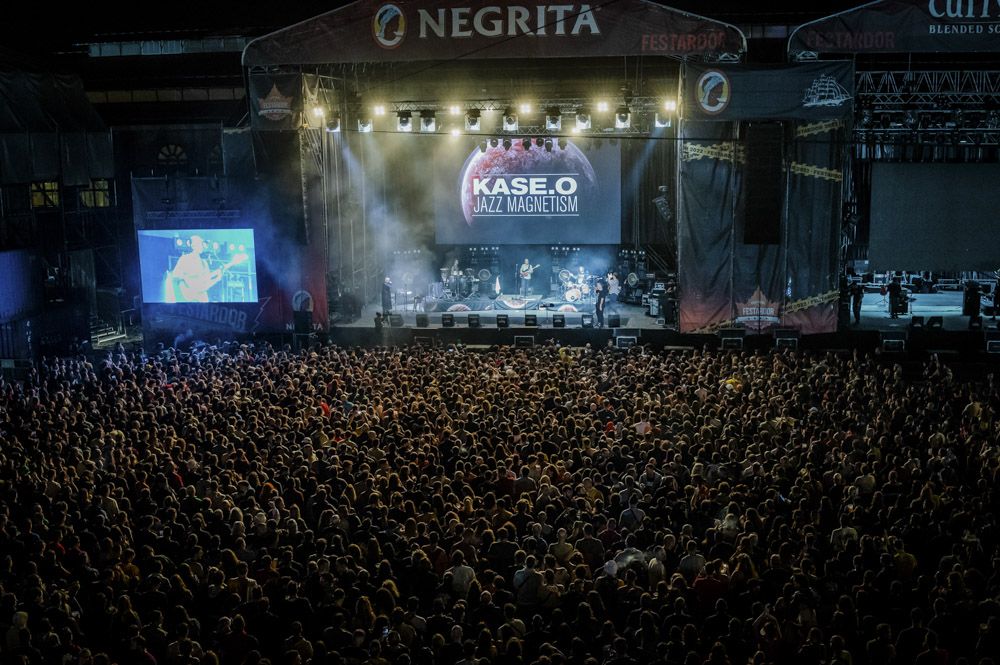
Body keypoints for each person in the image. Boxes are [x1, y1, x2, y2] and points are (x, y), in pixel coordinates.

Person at [173, 236, 218, 303]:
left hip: (202, 297)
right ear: (193, 246)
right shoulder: (185, 259)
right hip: (189, 297)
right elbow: (175, 275)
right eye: (200, 244)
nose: (202, 246)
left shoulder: (204, 262)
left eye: (202, 244)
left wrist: (217, 276)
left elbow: (206, 279)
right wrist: (189, 279)